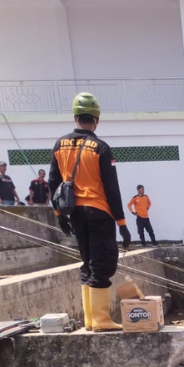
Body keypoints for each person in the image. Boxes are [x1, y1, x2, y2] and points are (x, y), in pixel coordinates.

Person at [48, 92, 131, 331]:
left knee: (87, 262)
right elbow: (112, 189)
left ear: (75, 117)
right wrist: (122, 224)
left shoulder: (59, 145)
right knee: (102, 264)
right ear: (97, 119)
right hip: (99, 212)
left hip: (75, 213)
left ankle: (90, 320)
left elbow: (53, 183)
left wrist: (59, 215)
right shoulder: (101, 148)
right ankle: (102, 320)